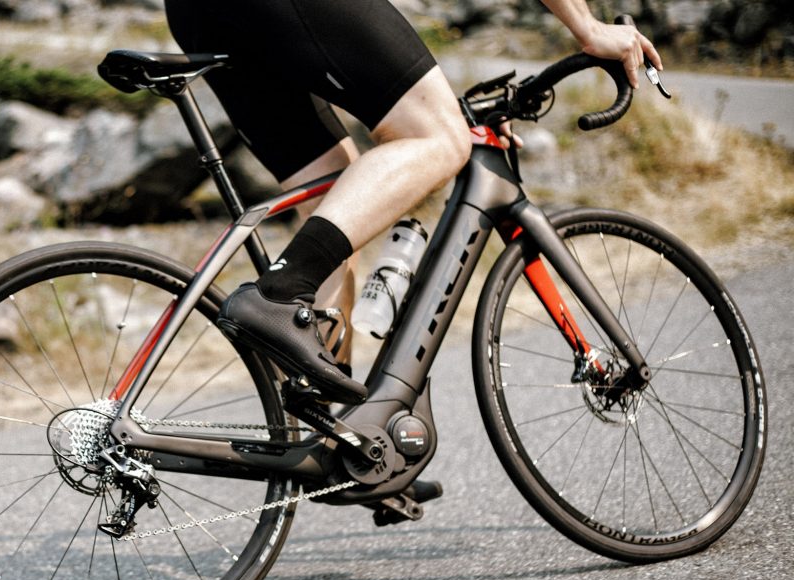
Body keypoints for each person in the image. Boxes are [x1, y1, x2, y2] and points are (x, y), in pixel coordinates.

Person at [165, 0, 662, 404]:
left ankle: (340, 438)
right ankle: (277, 296)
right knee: (443, 139)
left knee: (338, 188)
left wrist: (442, 101)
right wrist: (587, 25)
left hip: (199, 13)